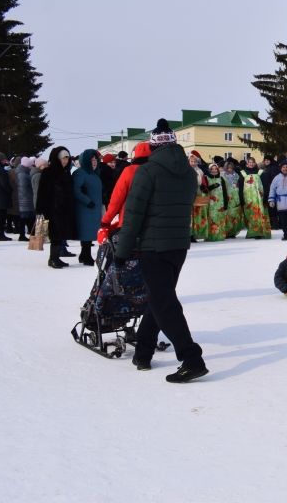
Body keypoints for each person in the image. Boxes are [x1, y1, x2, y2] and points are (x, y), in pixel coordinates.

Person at [115, 119, 207, 383]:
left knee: (163, 302)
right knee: (159, 299)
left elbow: (133, 215)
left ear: (153, 146)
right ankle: (143, 352)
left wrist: (122, 250)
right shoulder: (190, 173)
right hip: (178, 245)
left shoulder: (148, 172)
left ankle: (191, 359)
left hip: (153, 246)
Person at [36, 147, 76, 267]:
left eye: (67, 158)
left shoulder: (66, 173)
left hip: (63, 209)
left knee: (60, 234)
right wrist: (40, 210)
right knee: (55, 234)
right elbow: (41, 192)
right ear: (57, 158)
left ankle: (56, 257)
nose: (66, 161)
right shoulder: (48, 172)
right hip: (52, 209)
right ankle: (53, 258)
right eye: (63, 158)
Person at [102, 142, 152, 231]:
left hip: (129, 220)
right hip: (154, 222)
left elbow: (117, 198)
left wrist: (106, 220)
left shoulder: (129, 170)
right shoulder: (158, 170)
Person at [72, 149, 103, 266]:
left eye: (96, 160)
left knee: (90, 233)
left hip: (94, 209)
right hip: (85, 209)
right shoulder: (80, 173)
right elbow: (76, 190)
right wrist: (87, 201)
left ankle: (84, 255)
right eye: (92, 160)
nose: (94, 162)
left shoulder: (94, 173)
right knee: (86, 232)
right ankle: (86, 255)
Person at [241, 156, 272, 238]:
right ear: (247, 164)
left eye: (252, 162)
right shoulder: (243, 173)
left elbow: (265, 185)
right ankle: (252, 232)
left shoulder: (260, 172)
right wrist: (241, 199)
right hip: (248, 198)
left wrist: (265, 197)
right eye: (249, 162)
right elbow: (240, 187)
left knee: (260, 213)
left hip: (259, 198)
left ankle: (261, 232)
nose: (251, 164)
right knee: (250, 215)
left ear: (255, 163)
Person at [204, 162, 228, 242]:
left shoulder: (221, 178)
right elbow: (204, 190)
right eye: (212, 169)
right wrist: (212, 186)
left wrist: (225, 203)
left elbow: (225, 191)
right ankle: (211, 236)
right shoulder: (206, 178)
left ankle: (220, 236)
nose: (214, 171)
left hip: (220, 202)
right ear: (209, 170)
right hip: (211, 203)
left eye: (215, 169)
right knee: (212, 218)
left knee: (220, 218)